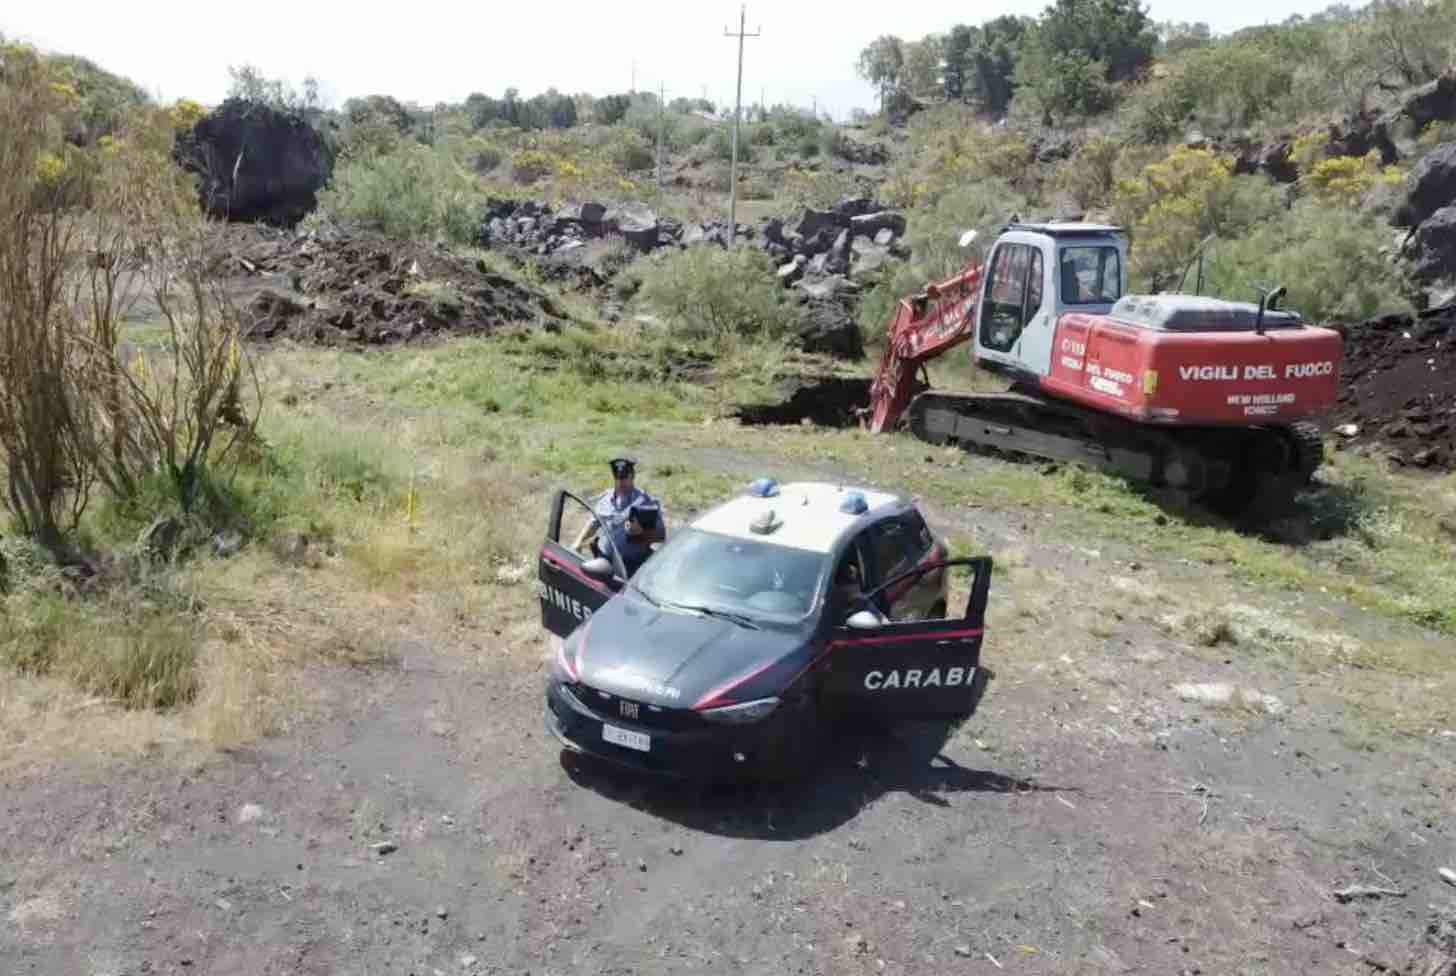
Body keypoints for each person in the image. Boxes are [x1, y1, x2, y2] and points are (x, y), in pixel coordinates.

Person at [573, 457, 666, 577]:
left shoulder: (645, 502)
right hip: (604, 559)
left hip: (630, 565)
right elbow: (594, 522)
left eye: (624, 478)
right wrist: (578, 542)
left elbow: (661, 535)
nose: (620, 483)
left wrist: (641, 533)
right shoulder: (605, 499)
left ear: (632, 476)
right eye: (617, 478)